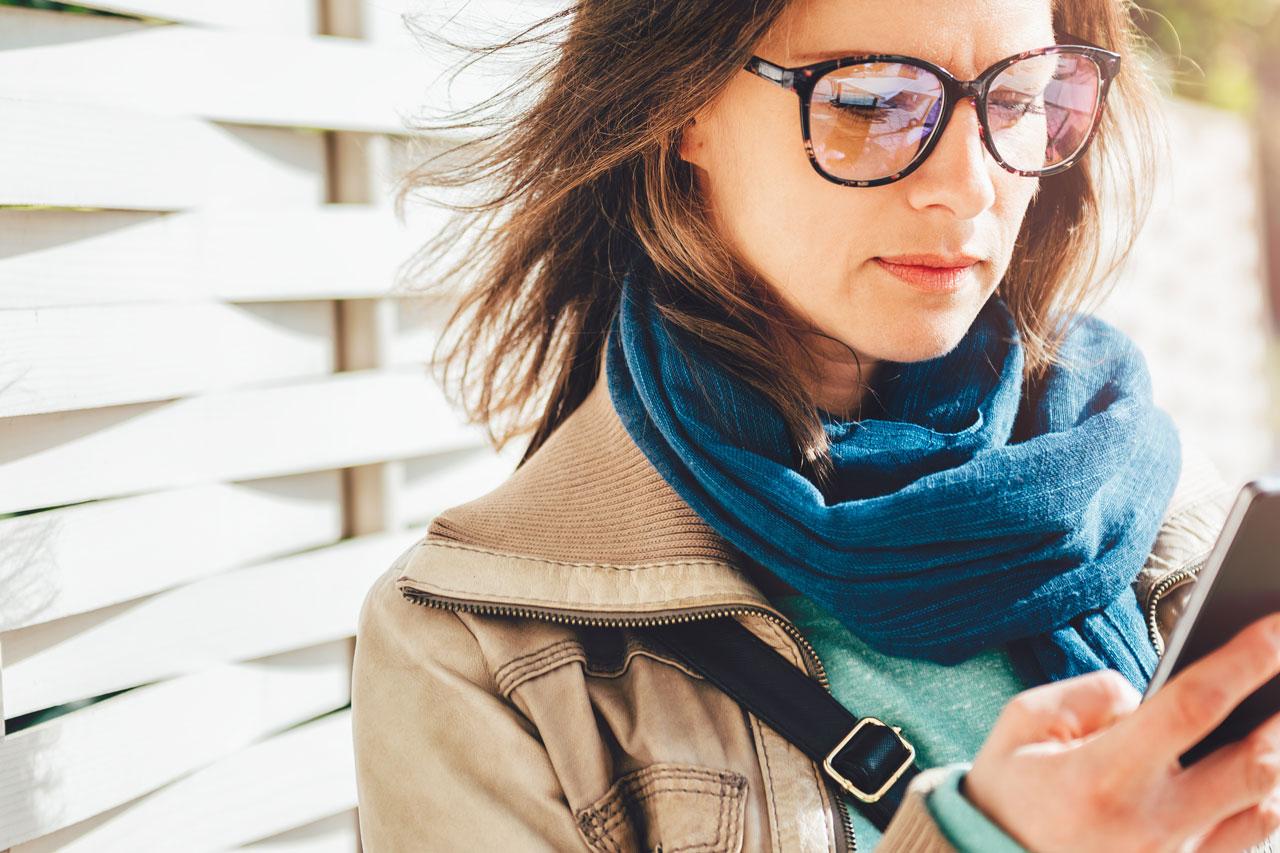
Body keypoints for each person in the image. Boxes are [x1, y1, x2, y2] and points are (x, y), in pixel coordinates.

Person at [350, 0, 1280, 849]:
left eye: (1021, 98)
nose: (969, 187)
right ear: (683, 107)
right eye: (872, 101)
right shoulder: (474, 649)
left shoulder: (1153, 490)